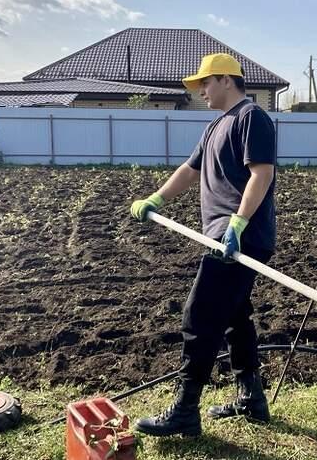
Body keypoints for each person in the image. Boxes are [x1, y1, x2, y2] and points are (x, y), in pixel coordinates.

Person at [129, 53, 277, 437]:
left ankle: (185, 410)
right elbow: (189, 170)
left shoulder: (251, 117)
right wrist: (156, 199)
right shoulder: (215, 126)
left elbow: (261, 173)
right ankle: (252, 398)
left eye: (205, 83)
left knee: (199, 316)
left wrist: (238, 224)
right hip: (221, 238)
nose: (200, 91)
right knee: (234, 316)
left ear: (227, 79)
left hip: (240, 240)